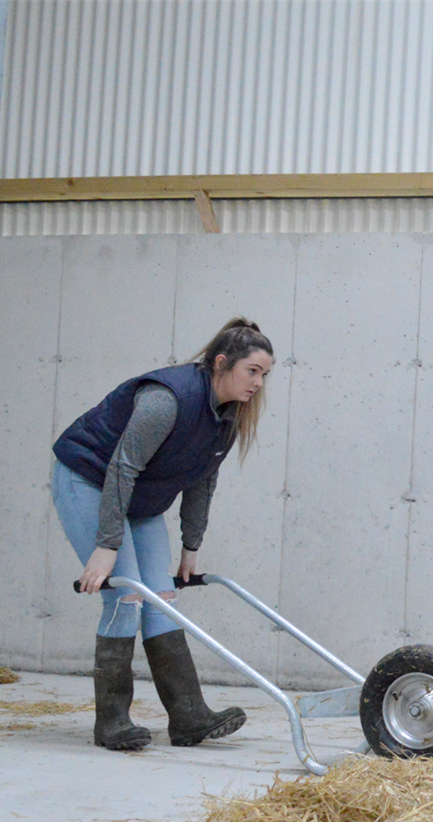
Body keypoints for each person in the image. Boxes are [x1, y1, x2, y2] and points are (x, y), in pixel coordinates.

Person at [51, 318, 274, 751]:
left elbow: (202, 479)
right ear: (222, 364)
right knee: (127, 595)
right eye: (252, 371)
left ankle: (189, 717)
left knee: (163, 600)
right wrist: (106, 545)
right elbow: (122, 467)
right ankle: (112, 723)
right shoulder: (168, 399)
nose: (259, 383)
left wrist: (191, 547)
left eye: (265, 374)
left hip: (141, 497)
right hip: (90, 479)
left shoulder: (228, 417)